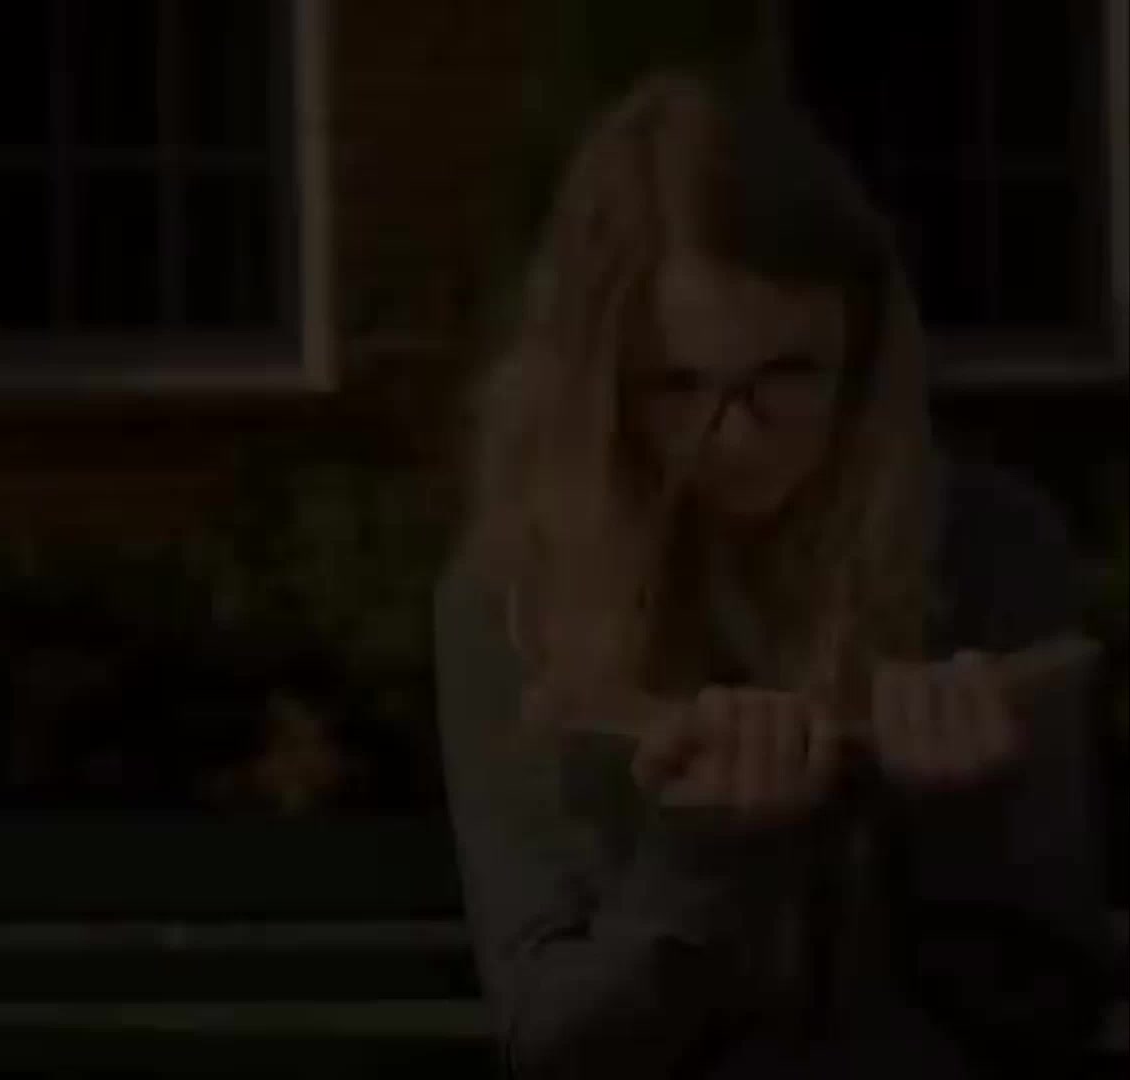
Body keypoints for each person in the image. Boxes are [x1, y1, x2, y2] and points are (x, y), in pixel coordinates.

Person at [434, 71, 1110, 1078]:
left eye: (788, 374)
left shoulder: (991, 546)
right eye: (678, 386)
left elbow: (1053, 1017)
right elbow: (554, 1045)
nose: (739, 438)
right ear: (598, 390)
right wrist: (699, 862)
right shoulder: (513, 595)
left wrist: (959, 826)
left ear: (863, 352)